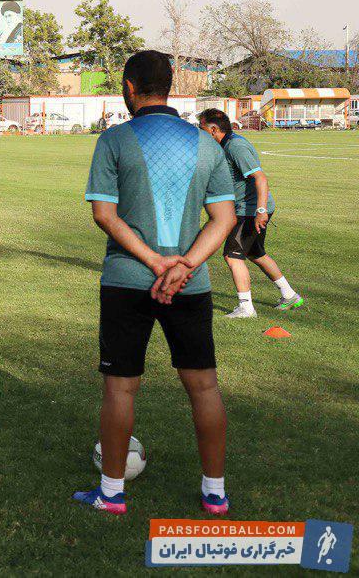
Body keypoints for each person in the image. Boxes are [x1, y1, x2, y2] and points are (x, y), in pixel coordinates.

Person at [75, 51, 237, 516]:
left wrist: (154, 261)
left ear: (129, 87)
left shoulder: (114, 139)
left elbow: (104, 214)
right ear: (170, 84)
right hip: (192, 283)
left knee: (121, 389)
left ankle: (111, 494)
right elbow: (224, 217)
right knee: (204, 386)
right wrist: (182, 266)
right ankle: (215, 494)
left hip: (127, 281)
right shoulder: (207, 143)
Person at [197, 109, 303, 317]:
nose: (199, 134)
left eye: (201, 129)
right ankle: (289, 295)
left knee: (232, 256)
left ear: (213, 129)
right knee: (256, 253)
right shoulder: (222, 145)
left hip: (251, 210)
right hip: (243, 209)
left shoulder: (236, 146)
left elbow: (260, 178)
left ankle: (246, 308)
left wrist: (260, 211)